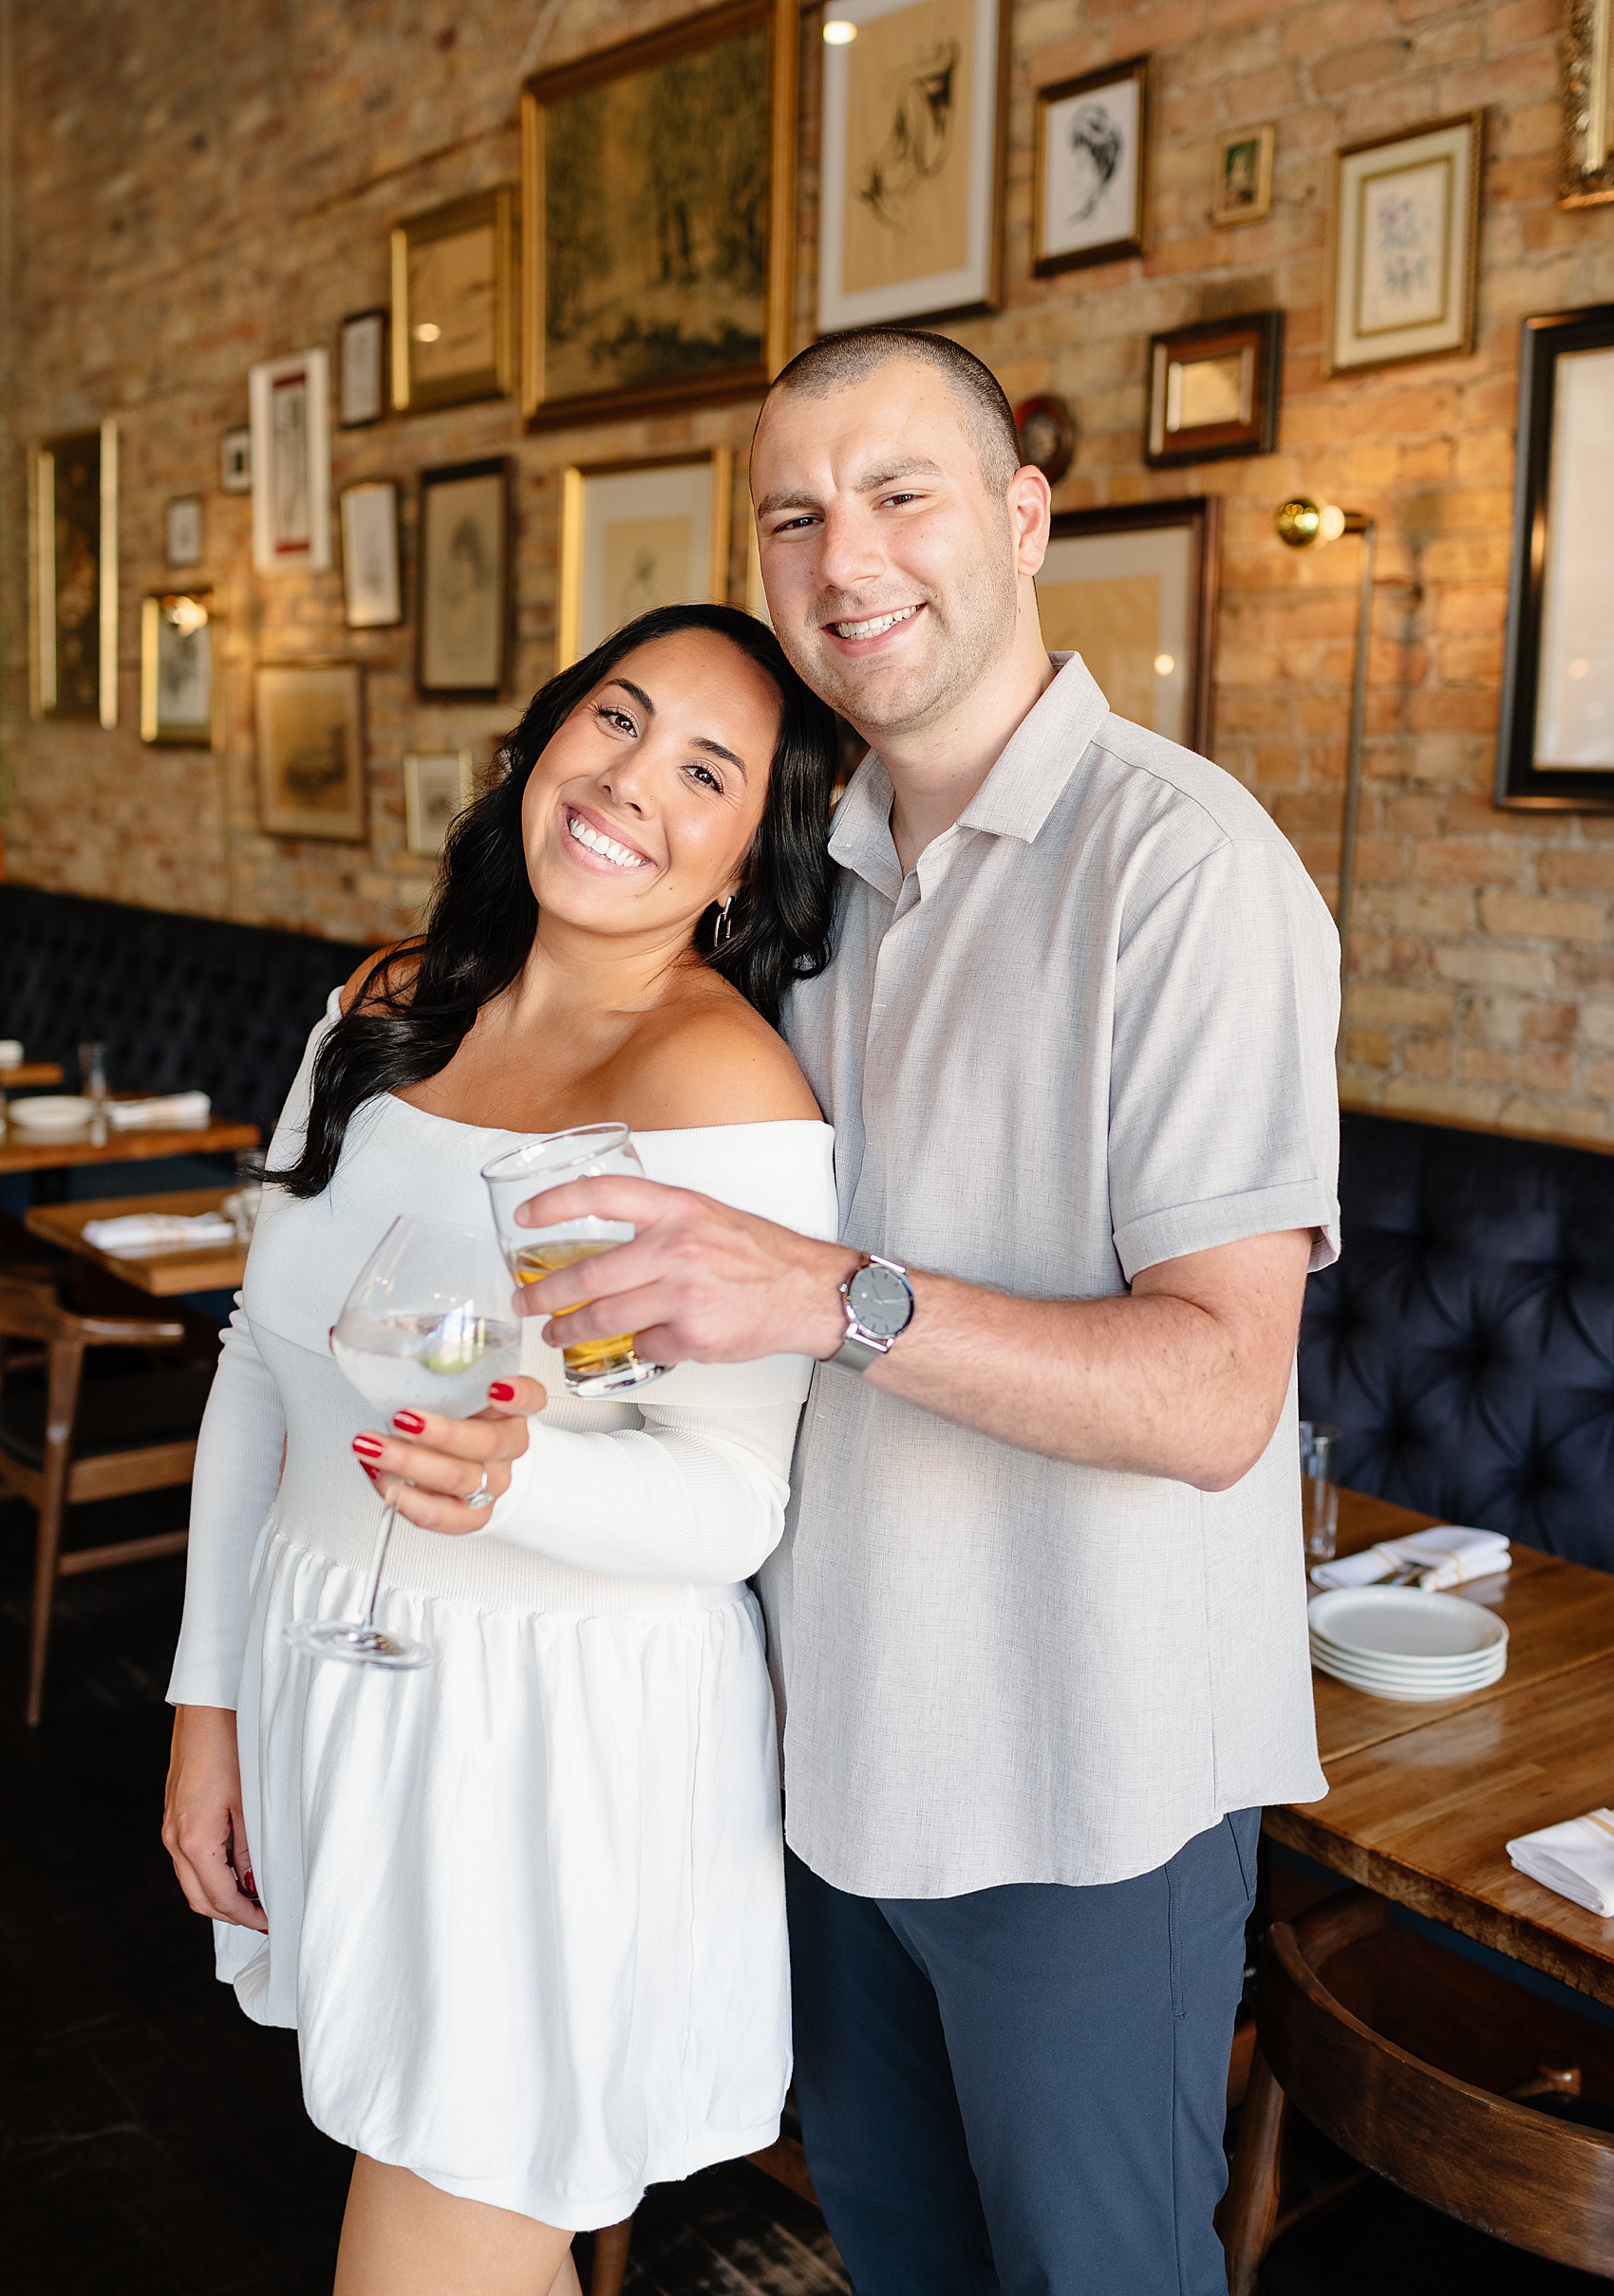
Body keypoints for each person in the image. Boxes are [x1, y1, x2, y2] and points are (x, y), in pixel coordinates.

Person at [507, 330, 1342, 2295]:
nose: (841, 555)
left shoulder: (1186, 867)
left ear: (1023, 518)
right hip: (826, 1761)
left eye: (898, 495)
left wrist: (821, 1295)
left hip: (1082, 1789)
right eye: (794, 515)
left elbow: (1219, 1393)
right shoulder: (813, 868)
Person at [160, 603, 841, 2296]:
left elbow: (731, 1500)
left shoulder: (722, 1084)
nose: (628, 783)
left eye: (706, 770)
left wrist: (519, 1476)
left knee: (433, 2242)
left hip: (547, 1738)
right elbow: (261, 1369)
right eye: (612, 722)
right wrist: (206, 1702)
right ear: (539, 745)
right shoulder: (388, 1008)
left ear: (746, 866)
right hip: (340, 1679)